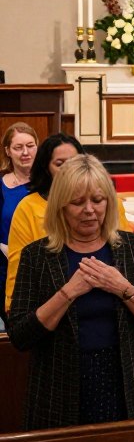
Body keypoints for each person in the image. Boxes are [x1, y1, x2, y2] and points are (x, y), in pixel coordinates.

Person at [7, 155, 134, 429]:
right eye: (78, 202)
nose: (90, 210)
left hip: (126, 385)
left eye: (98, 200)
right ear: (60, 206)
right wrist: (68, 292)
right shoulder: (37, 256)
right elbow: (21, 335)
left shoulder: (132, 247)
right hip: (58, 389)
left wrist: (122, 288)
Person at [5, 134, 131, 312]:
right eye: (60, 164)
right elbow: (18, 272)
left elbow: (126, 252)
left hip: (110, 299)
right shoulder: (28, 207)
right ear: (46, 168)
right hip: (50, 305)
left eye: (74, 161)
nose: (69, 169)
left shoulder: (110, 203)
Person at [1, 123, 38, 319]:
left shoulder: (49, 184)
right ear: (7, 151)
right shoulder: (1, 185)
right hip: (5, 265)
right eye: (18, 147)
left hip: (41, 266)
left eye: (30, 146)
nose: (25, 152)